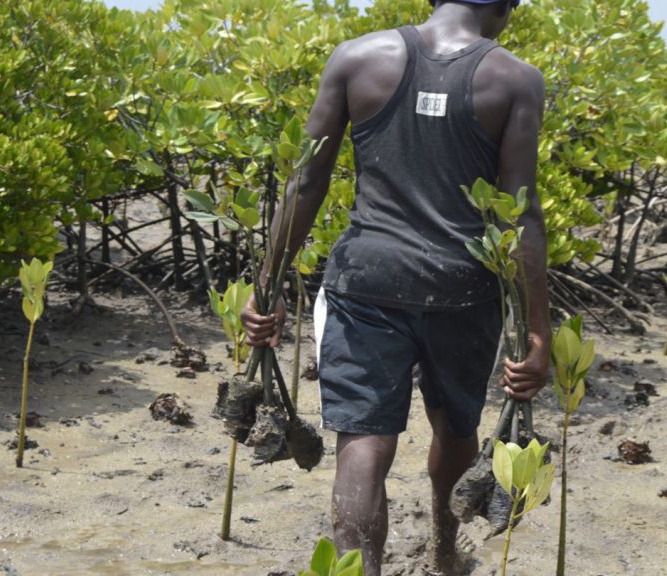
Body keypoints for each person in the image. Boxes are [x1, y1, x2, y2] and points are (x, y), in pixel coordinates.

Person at [241, 1, 549, 574]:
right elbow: (520, 214)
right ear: (504, 6)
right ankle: (443, 552)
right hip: (464, 286)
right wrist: (537, 332)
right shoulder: (515, 78)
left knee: (363, 443)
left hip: (366, 280)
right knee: (456, 428)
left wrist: (267, 285)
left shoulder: (357, 57)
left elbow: (305, 179)